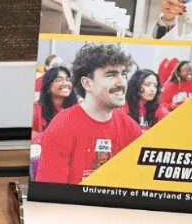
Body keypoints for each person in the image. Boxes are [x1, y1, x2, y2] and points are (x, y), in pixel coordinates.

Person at [35, 42, 141, 185]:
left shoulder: (131, 129)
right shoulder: (62, 127)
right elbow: (49, 197)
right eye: (111, 75)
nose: (121, 82)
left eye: (123, 74)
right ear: (87, 84)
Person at [33, 65, 77, 138]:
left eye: (68, 79)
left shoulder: (78, 109)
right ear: (48, 86)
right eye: (59, 80)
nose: (65, 83)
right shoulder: (37, 109)